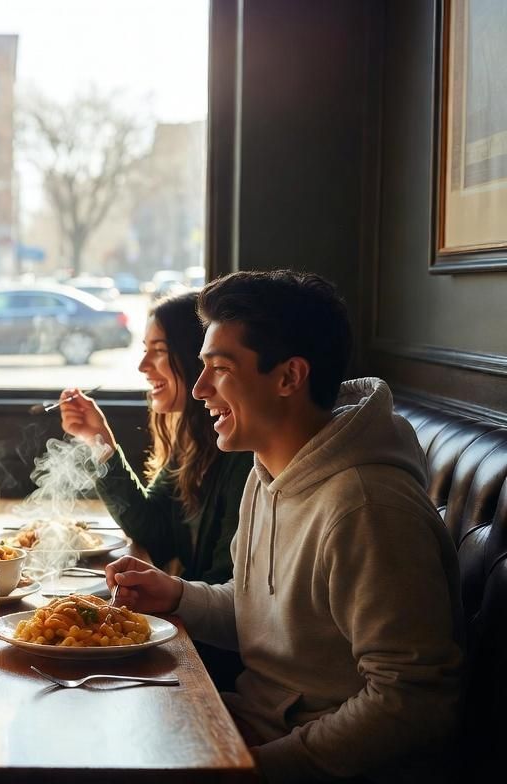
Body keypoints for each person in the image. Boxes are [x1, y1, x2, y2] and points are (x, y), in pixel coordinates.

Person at [106, 270, 463, 783]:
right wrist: (178, 595)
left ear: (289, 377)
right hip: (249, 724)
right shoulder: (270, 470)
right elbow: (266, 612)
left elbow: (411, 703)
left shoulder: (367, 508)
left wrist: (254, 768)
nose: (201, 388)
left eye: (220, 369)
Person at [60, 291, 252, 585]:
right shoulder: (192, 440)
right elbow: (151, 527)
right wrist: (99, 439)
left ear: (195, 356)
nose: (143, 366)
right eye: (145, 349)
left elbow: (226, 587)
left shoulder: (241, 453)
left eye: (159, 350)